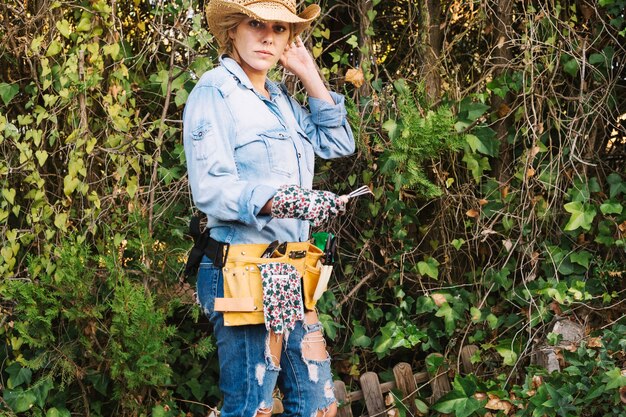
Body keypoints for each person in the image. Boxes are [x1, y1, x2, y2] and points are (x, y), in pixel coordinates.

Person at [182, 0, 355, 415]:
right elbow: (210, 188)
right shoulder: (214, 92)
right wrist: (284, 200)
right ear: (232, 31)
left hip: (291, 272)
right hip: (240, 269)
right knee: (251, 408)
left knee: (318, 404)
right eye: (256, 24)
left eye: (280, 29)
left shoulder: (278, 98)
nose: (267, 37)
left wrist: (309, 74)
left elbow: (338, 143)